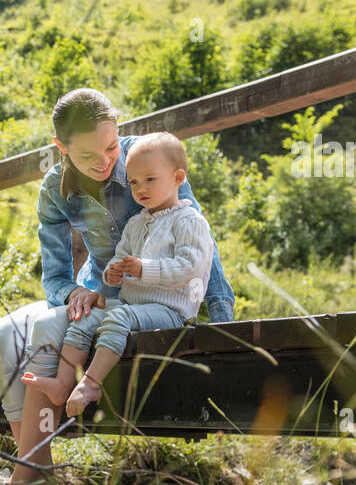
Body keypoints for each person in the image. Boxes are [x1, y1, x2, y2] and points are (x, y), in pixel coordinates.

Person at [0, 89, 235, 485]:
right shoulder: (55, 190)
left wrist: (221, 316)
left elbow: (199, 247)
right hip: (102, 298)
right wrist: (74, 295)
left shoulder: (150, 159)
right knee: (2, 336)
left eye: (111, 146)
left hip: (150, 302)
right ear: (61, 149)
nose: (104, 161)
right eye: (87, 154)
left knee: (39, 330)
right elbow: (55, 276)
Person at [20, 131, 212, 418]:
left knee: (118, 317)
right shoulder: (136, 223)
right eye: (134, 182)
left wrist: (144, 269)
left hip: (171, 311)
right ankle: (62, 382)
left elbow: (191, 268)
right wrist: (114, 273)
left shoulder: (189, 221)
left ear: (177, 178)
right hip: (133, 305)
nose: (140, 189)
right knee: (86, 316)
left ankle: (92, 383)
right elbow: (120, 259)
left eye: (150, 179)